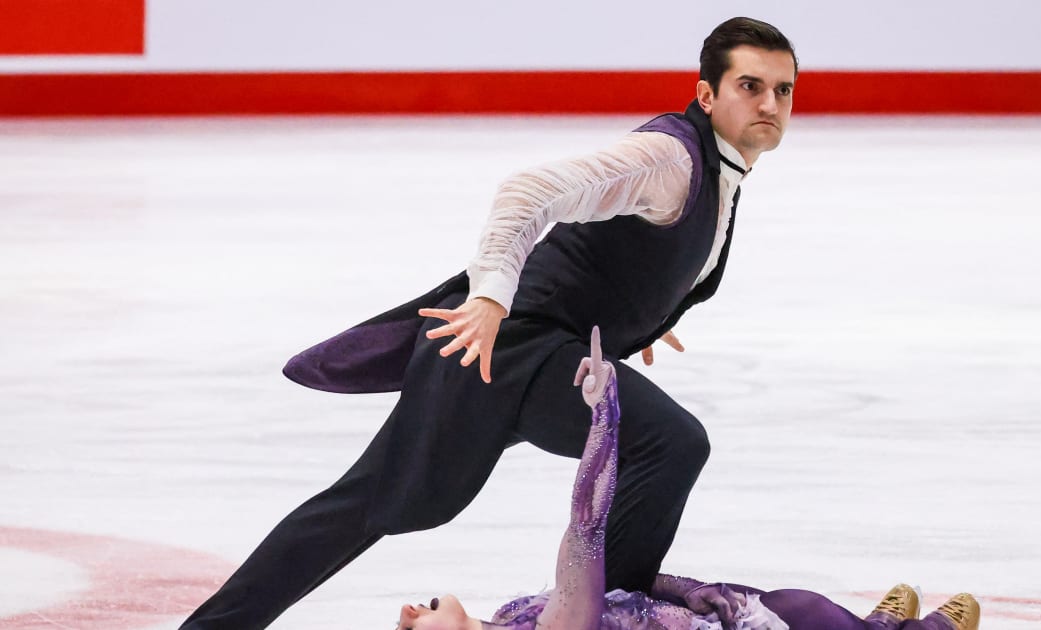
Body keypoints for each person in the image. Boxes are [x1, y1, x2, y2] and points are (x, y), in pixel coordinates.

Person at [183, 16, 799, 629]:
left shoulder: (720, 170)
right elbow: (528, 192)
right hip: (503, 349)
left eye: (783, 90)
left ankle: (607, 610)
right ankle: (608, 615)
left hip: (536, 352)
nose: (769, 103)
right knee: (666, 441)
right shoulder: (670, 157)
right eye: (750, 86)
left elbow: (624, 248)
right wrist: (489, 299)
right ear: (707, 95)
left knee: (365, 503)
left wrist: (645, 308)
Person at [396, 328, 983, 630]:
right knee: (805, 613)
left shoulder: (508, 618)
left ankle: (877, 626)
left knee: (796, 607)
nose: (405, 615)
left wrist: (692, 593)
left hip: (716, 616)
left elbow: (632, 593)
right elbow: (587, 522)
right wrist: (604, 416)